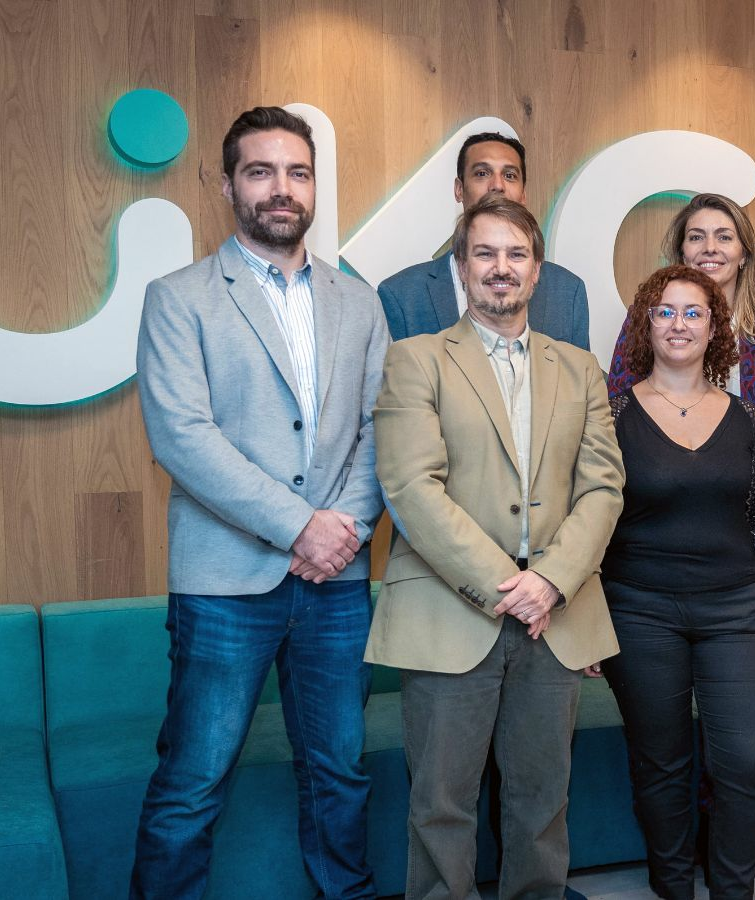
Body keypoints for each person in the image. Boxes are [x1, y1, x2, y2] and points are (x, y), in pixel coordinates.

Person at [132, 106, 388, 900]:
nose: (282, 189)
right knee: (195, 779)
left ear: (315, 187)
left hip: (337, 583)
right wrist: (300, 527)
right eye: (261, 171)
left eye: (298, 172)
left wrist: (342, 528)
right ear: (227, 184)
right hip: (224, 586)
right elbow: (182, 436)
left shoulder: (360, 301)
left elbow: (383, 429)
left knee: (340, 770)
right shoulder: (179, 298)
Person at [366, 194, 624, 900]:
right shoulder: (416, 361)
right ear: (461, 267)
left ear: (537, 271)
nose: (501, 268)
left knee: (542, 805)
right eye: (485, 254)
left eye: (516, 254)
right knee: (441, 807)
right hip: (454, 613)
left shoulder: (580, 368)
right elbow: (412, 488)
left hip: (558, 616)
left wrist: (552, 582)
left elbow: (604, 488)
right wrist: (507, 587)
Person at [599, 264, 755, 900]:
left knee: (743, 761)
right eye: (665, 311)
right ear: (645, 325)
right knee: (660, 764)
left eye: (693, 312)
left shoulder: (746, 416)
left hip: (736, 610)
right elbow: (594, 518)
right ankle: (673, 887)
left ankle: (733, 891)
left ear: (715, 328)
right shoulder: (613, 414)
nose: (679, 323)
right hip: (640, 611)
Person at [376, 131, 590, 349]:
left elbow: (579, 379)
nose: (497, 185)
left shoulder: (567, 291)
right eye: (482, 173)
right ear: (459, 189)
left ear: (523, 194)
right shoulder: (402, 296)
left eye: (509, 175)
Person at [608, 193, 755, 403]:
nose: (710, 248)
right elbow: (618, 409)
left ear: (744, 254)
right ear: (683, 253)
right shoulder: (646, 321)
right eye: (696, 237)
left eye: (724, 237)